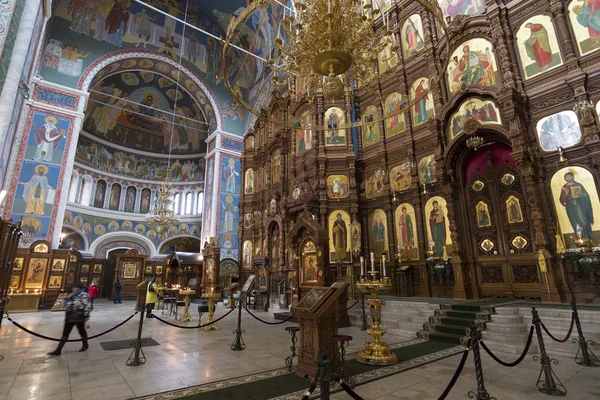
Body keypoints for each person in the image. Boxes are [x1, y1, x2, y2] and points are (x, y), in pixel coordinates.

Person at [48, 282, 91, 356]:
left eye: (74, 287)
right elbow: (66, 304)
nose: (72, 289)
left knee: (81, 331)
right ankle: (58, 350)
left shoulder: (84, 294)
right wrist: (67, 299)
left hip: (79, 316)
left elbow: (87, 305)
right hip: (69, 315)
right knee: (65, 333)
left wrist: (86, 316)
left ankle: (85, 344)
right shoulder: (71, 295)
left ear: (78, 288)